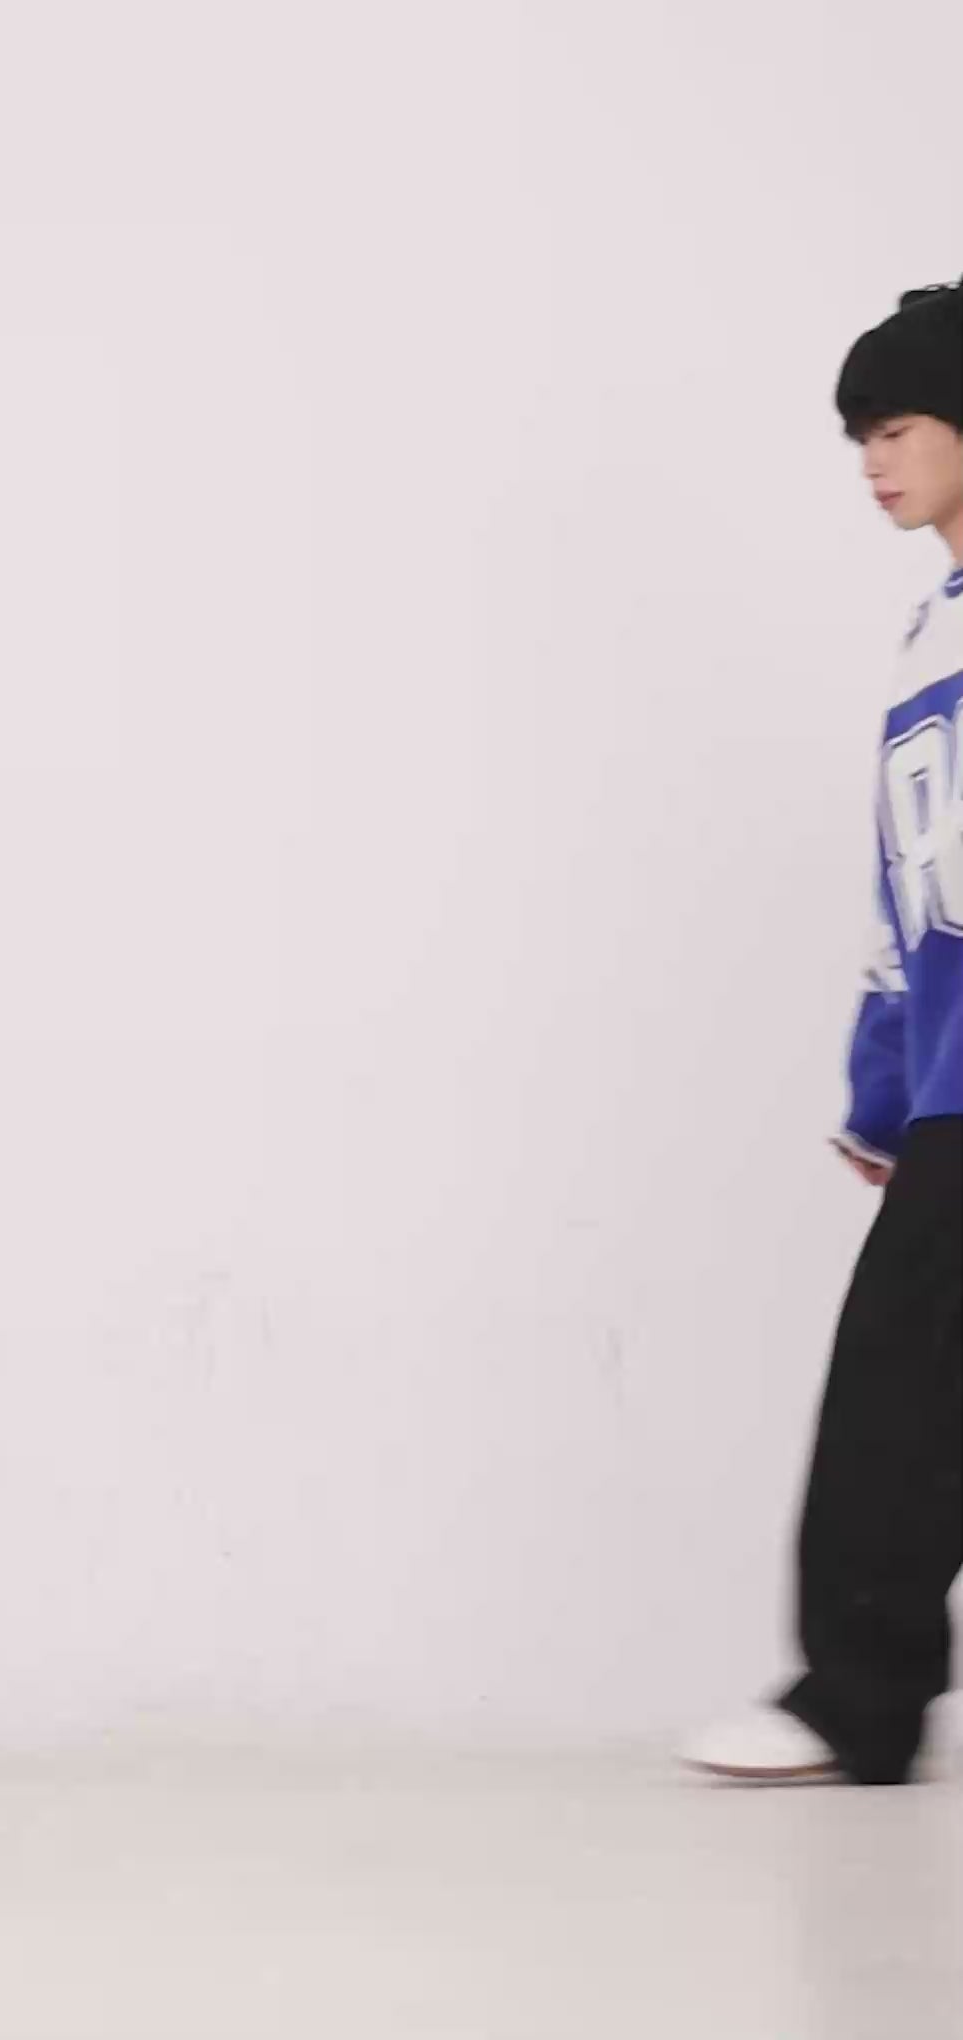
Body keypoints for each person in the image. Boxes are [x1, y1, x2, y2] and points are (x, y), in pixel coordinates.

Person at [683, 275, 963, 1786]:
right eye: (860, 432)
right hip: (954, 1086)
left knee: (902, 1387)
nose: (872, 458)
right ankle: (856, 1695)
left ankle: (857, 1700)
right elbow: (906, 897)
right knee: (907, 1381)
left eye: (899, 424)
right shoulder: (929, 638)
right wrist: (883, 1091)